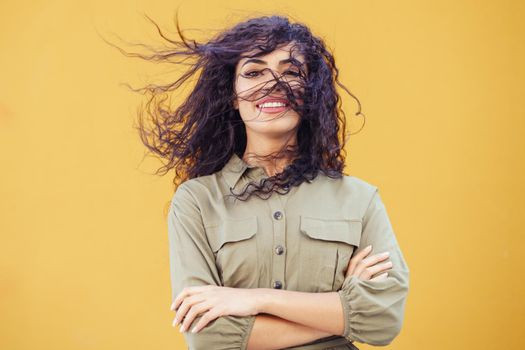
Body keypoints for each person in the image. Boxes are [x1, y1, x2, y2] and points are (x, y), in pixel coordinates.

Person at [125, 13, 410, 350]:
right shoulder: (197, 202)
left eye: (291, 72)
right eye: (253, 72)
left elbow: (383, 319)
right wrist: (343, 311)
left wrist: (255, 300)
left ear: (311, 92)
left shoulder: (360, 200)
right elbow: (207, 337)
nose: (273, 83)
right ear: (231, 93)